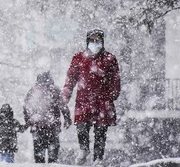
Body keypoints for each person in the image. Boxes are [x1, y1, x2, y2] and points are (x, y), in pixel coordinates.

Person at [62, 29, 121, 167]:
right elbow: (71, 79)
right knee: (81, 126)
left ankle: (98, 158)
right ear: (87, 41)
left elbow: (115, 78)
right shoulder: (78, 58)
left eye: (98, 40)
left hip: (103, 100)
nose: (95, 43)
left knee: (101, 131)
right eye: (92, 40)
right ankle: (84, 148)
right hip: (84, 100)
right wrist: (66, 95)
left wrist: (113, 93)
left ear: (102, 41)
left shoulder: (110, 59)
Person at [23, 71, 72, 163]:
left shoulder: (33, 91)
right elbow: (63, 106)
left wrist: (29, 121)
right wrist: (67, 119)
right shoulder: (55, 90)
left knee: (39, 157)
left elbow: (26, 108)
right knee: (53, 157)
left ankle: (40, 162)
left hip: (37, 127)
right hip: (52, 127)